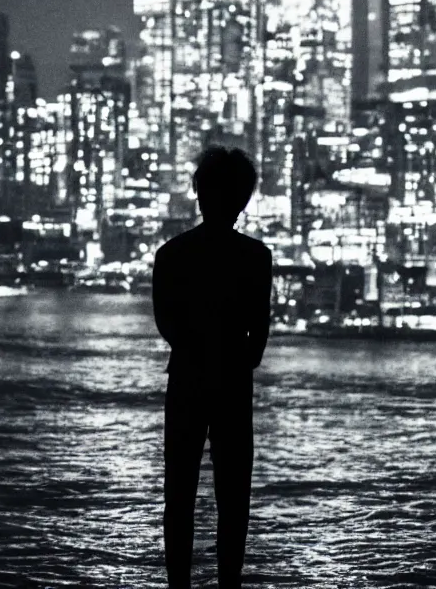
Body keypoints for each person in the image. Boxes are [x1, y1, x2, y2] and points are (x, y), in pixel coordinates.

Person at [153, 147, 273, 589]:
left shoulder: (172, 254)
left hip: (185, 378)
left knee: (178, 494)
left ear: (200, 195)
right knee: (234, 495)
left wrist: (194, 348)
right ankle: (229, 584)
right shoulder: (256, 257)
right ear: (242, 201)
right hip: (234, 383)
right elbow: (258, 330)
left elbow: (165, 321)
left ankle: (178, 586)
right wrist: (238, 357)